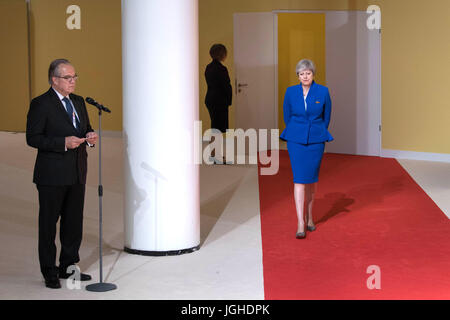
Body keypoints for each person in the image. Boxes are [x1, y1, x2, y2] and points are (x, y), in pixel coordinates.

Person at [26, 59, 98, 288]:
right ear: (54, 79)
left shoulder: (78, 101)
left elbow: (83, 128)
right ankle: (49, 271)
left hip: (77, 172)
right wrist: (63, 143)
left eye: (75, 77)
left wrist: (90, 137)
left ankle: (69, 267)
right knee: (48, 224)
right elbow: (33, 138)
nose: (73, 81)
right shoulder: (41, 104)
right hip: (52, 175)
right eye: (68, 77)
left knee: (73, 222)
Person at [280, 59, 334, 239]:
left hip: (316, 140)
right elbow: (287, 116)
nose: (305, 76)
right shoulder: (290, 92)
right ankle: (300, 222)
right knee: (299, 179)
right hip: (295, 139)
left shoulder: (323, 91)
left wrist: (316, 132)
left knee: (311, 180)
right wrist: (298, 130)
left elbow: (327, 117)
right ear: (298, 76)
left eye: (308, 73)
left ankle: (310, 217)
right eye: (302, 74)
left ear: (313, 74)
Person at [204, 43, 232, 164]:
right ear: (222, 54)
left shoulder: (208, 67)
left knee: (214, 128)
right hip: (219, 101)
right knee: (217, 130)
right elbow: (226, 86)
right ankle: (216, 156)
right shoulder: (221, 69)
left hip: (210, 99)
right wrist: (229, 101)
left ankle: (214, 154)